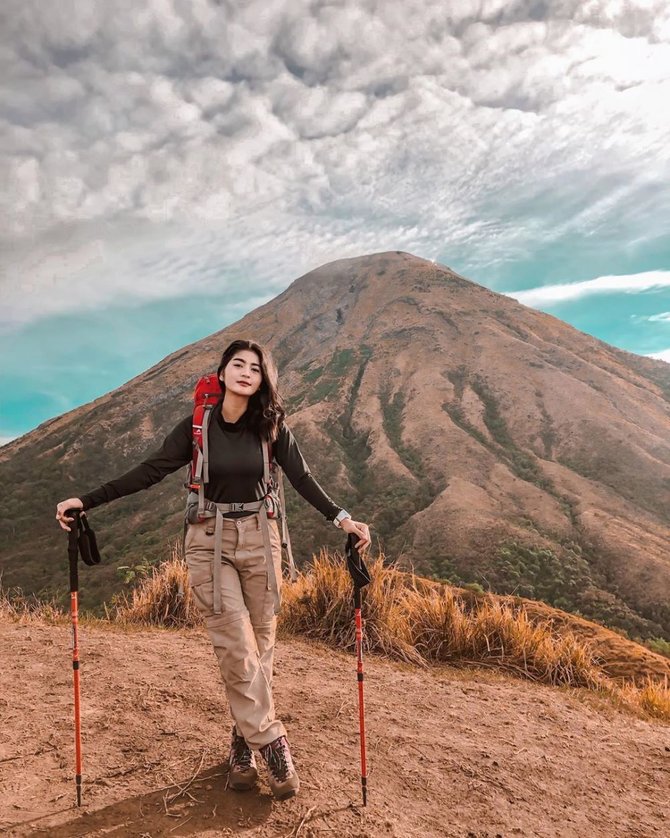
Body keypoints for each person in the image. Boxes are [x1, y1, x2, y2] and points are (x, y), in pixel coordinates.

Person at [56, 338, 371, 801]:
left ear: (264, 380)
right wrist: (88, 499)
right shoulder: (197, 427)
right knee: (235, 644)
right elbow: (151, 470)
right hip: (209, 539)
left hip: (262, 540)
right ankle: (273, 741)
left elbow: (302, 477)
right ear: (221, 374)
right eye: (237, 364)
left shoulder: (272, 428)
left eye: (255, 368)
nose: (246, 372)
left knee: (260, 648)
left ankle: (243, 744)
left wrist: (342, 518)